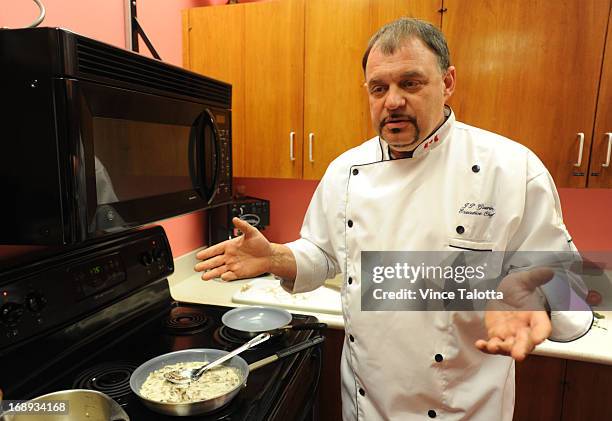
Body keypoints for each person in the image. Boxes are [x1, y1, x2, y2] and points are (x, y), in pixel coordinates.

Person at [195, 18, 593, 420]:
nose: (393, 101)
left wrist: (537, 299)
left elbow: (576, 289)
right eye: (379, 88)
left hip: (465, 409)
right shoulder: (345, 170)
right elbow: (326, 254)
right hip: (366, 406)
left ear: (448, 82)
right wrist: (275, 257)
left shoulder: (511, 168)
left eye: (411, 83)